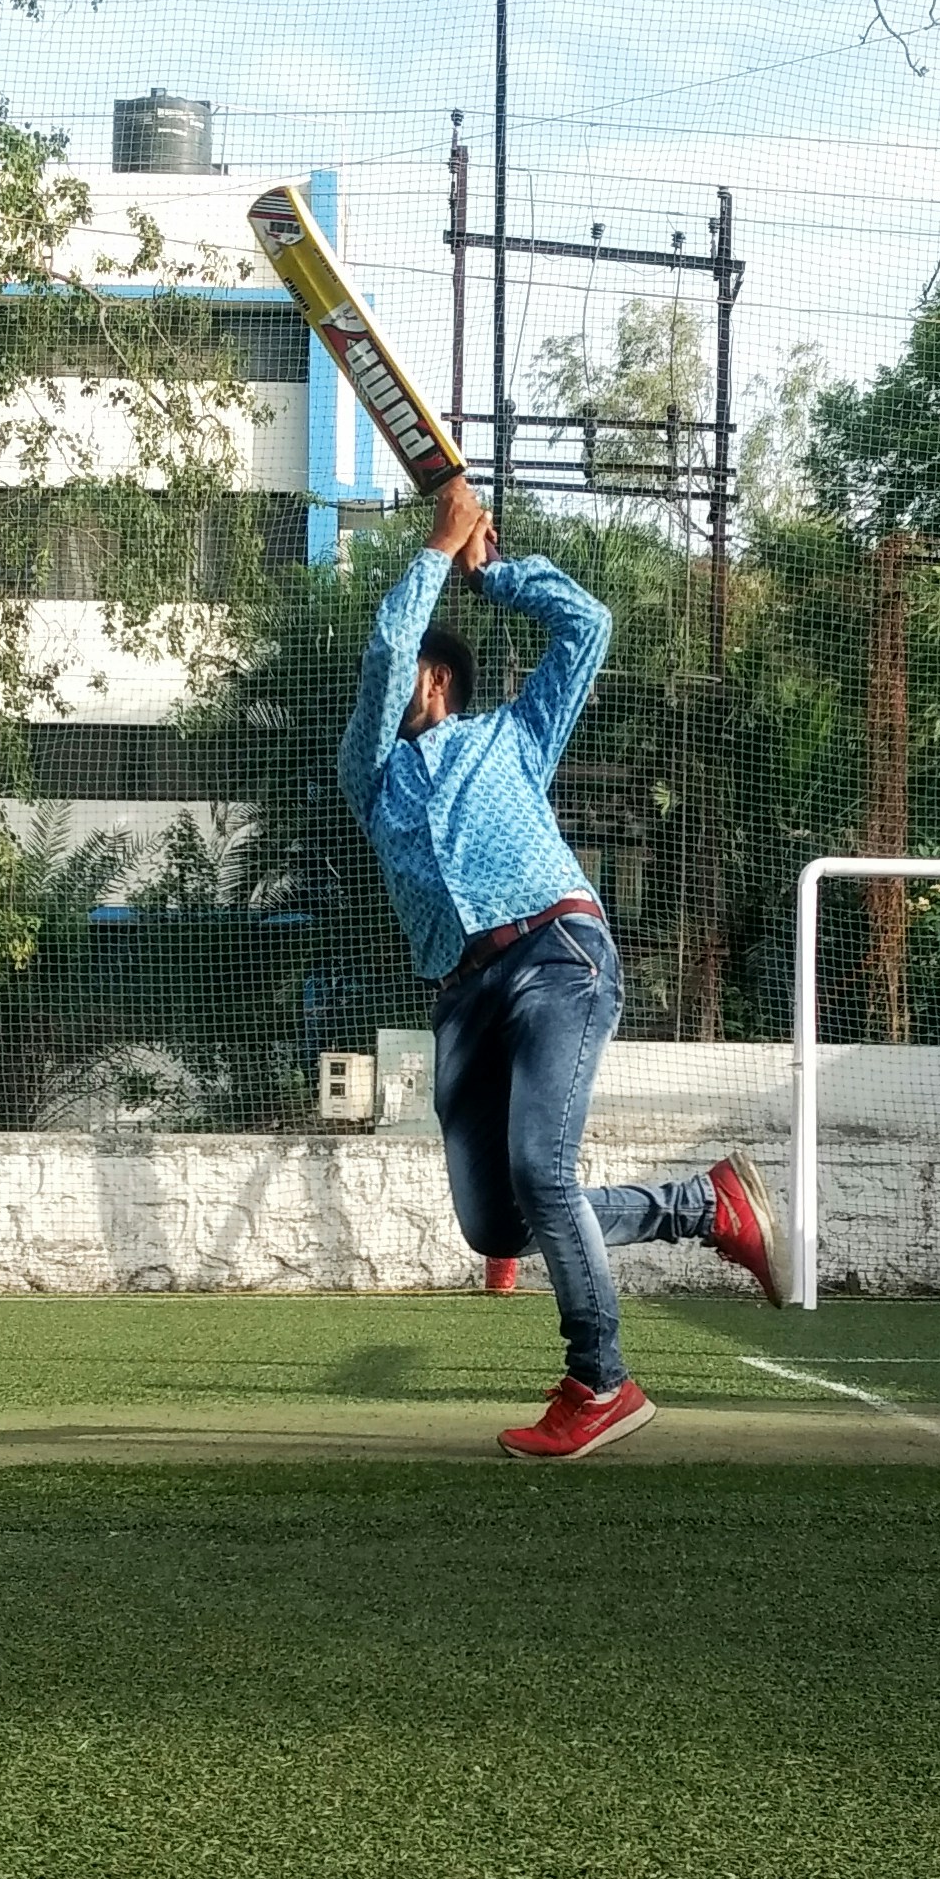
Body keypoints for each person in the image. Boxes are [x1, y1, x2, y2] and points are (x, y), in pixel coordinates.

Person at [342, 473, 784, 1458]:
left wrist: (488, 569)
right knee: (498, 1227)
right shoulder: (368, 781)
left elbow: (587, 624)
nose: (384, 683)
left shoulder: (512, 737)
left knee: (541, 1167)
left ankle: (600, 1379)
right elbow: (379, 655)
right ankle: (706, 1207)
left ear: (437, 679)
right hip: (462, 999)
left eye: (407, 666)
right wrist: (434, 544)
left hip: (555, 954)